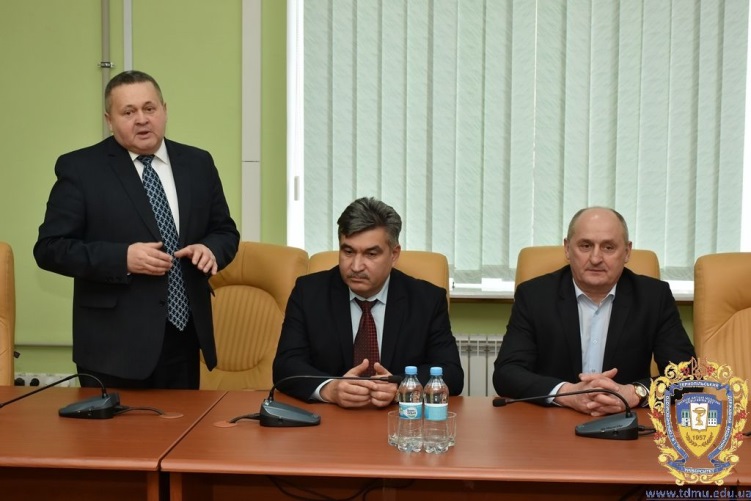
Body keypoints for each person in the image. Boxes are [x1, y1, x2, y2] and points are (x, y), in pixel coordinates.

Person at [34, 70, 239, 389]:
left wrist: (210, 249)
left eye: (149, 108)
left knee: (185, 423)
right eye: (128, 112)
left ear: (164, 110)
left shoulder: (198, 163)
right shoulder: (81, 169)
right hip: (112, 347)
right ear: (109, 120)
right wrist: (122, 259)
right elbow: (50, 248)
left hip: (183, 337)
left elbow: (225, 231)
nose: (142, 119)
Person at [493, 207, 696, 416]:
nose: (596, 258)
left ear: (627, 252)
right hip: (552, 419)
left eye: (608, 247)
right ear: (567, 249)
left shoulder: (653, 297)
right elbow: (506, 373)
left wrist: (634, 393)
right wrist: (567, 393)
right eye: (585, 245)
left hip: (624, 420)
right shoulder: (534, 296)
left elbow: (688, 376)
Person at [273, 197, 464, 408]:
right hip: (330, 418)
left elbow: (452, 373)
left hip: (400, 419)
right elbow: (285, 366)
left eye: (371, 254)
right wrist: (329, 388)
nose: (356, 266)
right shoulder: (309, 293)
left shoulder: (426, 300)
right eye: (348, 252)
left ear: (394, 254)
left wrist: (401, 386)